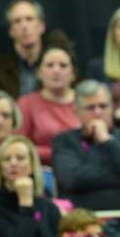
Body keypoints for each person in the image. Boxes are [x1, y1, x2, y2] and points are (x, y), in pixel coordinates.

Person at [51, 80, 120, 211]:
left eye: (103, 106)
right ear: (76, 111)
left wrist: (107, 141)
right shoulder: (64, 141)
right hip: (82, 215)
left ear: (112, 107)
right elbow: (71, 180)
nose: (98, 112)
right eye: (90, 107)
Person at [0, 135, 61, 237]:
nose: (13, 163)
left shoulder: (49, 208)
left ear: (32, 165)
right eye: (7, 159)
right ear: (0, 167)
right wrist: (25, 203)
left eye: (20, 158)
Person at [16, 31, 81, 165]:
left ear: (73, 74)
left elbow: (94, 141)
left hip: (83, 168)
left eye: (63, 65)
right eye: (49, 65)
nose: (56, 71)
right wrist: (59, 154)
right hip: (42, 169)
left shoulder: (86, 101)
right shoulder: (26, 104)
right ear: (39, 73)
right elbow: (19, 146)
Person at [0, 0, 47, 97]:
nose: (24, 26)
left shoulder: (58, 66)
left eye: (29, 19)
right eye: (17, 21)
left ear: (42, 26)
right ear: (10, 31)